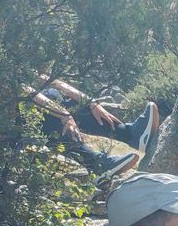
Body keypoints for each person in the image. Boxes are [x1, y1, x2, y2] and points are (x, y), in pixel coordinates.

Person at [26, 76, 159, 179]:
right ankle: (98, 165)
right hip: (21, 126)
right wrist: (63, 115)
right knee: (48, 116)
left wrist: (91, 102)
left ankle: (131, 135)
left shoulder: (24, 58)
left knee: (68, 99)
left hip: (44, 107)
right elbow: (26, 91)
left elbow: (50, 80)